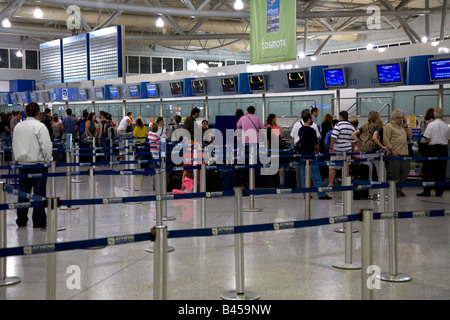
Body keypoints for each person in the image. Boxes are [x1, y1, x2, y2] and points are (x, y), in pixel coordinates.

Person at [12, 102, 53, 229]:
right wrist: (48, 160)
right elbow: (46, 146)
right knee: (38, 194)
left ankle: (21, 219)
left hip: (22, 165)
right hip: (38, 164)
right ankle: (39, 221)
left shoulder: (18, 126)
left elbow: (14, 144)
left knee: (23, 193)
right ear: (38, 112)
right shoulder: (40, 126)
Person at [298, 113, 332, 200]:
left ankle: (306, 194)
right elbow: (316, 144)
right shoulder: (311, 130)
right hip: (311, 155)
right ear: (309, 119)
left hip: (302, 155)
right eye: (311, 118)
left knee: (304, 176)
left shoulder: (300, 129)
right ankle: (321, 194)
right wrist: (317, 150)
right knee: (316, 176)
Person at [419, 108, 450, 197]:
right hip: (443, 150)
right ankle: (439, 191)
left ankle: (427, 191)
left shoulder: (431, 125)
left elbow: (427, 139)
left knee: (428, 171)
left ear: (434, 115)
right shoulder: (446, 126)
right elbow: (448, 140)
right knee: (441, 171)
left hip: (432, 149)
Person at [352, 111, 381, 199]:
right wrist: (382, 146)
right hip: (374, 152)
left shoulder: (363, 126)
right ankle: (380, 193)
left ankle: (369, 194)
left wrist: (359, 142)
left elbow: (353, 134)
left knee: (369, 174)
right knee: (380, 173)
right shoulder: (376, 127)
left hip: (364, 152)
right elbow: (374, 138)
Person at [383, 109, 412, 198]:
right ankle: (396, 191)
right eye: (399, 117)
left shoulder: (402, 127)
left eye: (402, 117)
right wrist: (392, 149)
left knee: (406, 171)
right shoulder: (389, 126)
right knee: (395, 173)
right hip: (395, 153)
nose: (401, 119)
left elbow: (410, 136)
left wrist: (406, 126)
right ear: (394, 117)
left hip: (404, 152)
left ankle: (399, 189)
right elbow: (386, 139)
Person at [291, 109, 321, 188]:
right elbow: (317, 139)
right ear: (309, 118)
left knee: (302, 174)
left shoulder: (297, 125)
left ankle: (304, 191)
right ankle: (320, 192)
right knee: (315, 174)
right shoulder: (313, 126)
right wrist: (317, 150)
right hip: (311, 152)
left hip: (300, 152)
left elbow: (293, 138)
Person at [328, 110, 355, 187]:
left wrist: (331, 146)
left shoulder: (338, 125)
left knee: (332, 167)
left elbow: (333, 137)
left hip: (337, 149)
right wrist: (352, 151)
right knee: (345, 167)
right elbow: (353, 141)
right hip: (347, 150)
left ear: (341, 117)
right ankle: (345, 184)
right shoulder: (351, 126)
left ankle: (331, 184)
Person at [417, 108, 435, 195]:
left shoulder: (422, 122)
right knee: (431, 167)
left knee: (425, 167)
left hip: (422, 144)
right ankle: (430, 187)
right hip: (429, 144)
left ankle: (426, 189)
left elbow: (422, 133)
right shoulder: (433, 123)